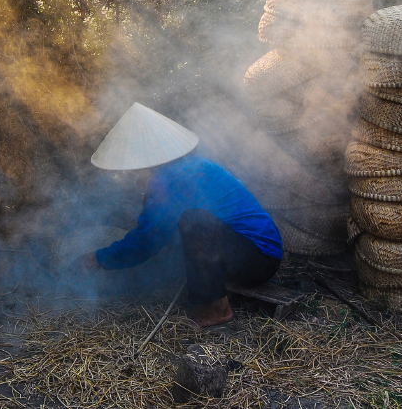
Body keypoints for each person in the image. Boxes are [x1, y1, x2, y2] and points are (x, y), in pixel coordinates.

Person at [78, 102, 283, 327]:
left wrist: (99, 258)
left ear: (147, 160)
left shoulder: (170, 178)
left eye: (135, 168)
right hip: (244, 252)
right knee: (181, 228)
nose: (134, 175)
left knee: (193, 222)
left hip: (259, 259)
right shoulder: (187, 167)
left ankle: (216, 309)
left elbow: (147, 240)